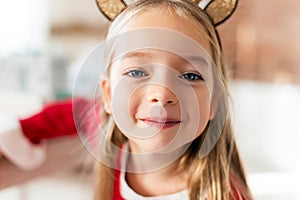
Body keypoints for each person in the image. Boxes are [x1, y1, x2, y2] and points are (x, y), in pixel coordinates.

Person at [80, 0, 253, 199]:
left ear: (213, 102)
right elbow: (67, 113)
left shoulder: (226, 195)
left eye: (190, 76)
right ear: (108, 95)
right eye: (136, 72)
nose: (162, 95)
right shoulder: (116, 159)